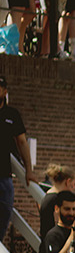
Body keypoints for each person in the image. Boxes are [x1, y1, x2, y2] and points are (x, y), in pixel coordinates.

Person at [0, 76, 40, 242]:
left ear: (5, 91)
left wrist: (29, 170)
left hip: (4, 176)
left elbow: (22, 142)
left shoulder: (12, 114)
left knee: (4, 216)